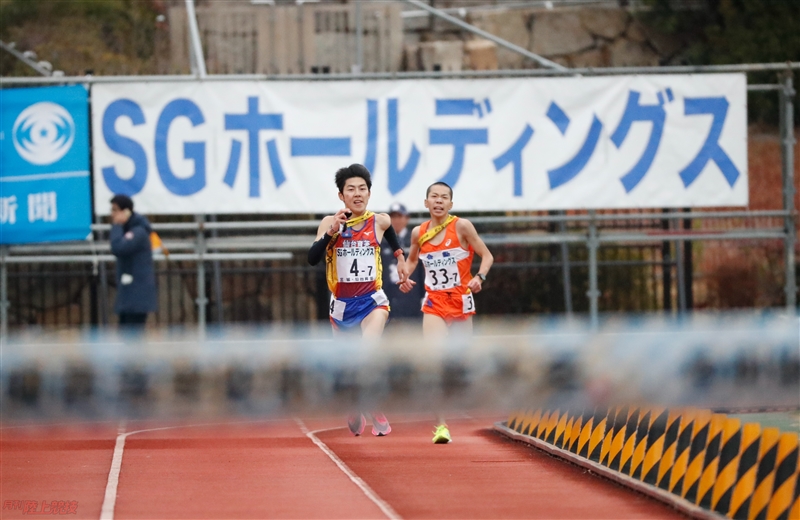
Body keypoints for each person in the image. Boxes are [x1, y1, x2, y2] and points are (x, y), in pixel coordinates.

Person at [307, 164, 408, 437]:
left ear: (369, 193)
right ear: (341, 195)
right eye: (351, 189)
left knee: (368, 352)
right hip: (341, 306)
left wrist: (399, 256)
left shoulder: (379, 220)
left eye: (362, 188)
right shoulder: (331, 222)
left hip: (372, 301)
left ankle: (373, 405)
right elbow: (312, 258)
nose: (357, 193)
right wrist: (332, 234)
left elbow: (389, 233)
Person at [399, 181, 493, 444]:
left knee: (461, 361)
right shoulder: (419, 232)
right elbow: (414, 258)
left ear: (451, 204)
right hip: (435, 303)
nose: (438, 201)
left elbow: (487, 256)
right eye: (434, 197)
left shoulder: (462, 227)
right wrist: (405, 274)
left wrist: (480, 277)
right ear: (426, 203)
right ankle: (441, 426)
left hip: (461, 302)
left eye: (444, 197)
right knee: (433, 362)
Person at [109, 194, 158, 333]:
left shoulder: (138, 232)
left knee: (132, 335)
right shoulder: (131, 230)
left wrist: (117, 226)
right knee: (125, 333)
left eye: (115, 210)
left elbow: (118, 247)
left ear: (126, 211)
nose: (112, 214)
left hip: (137, 296)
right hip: (129, 294)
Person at [380, 202, 424, 322]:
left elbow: (422, 271)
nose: (396, 220)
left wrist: (423, 296)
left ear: (407, 218)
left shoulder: (415, 240)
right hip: (388, 297)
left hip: (411, 297)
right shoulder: (381, 242)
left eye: (399, 216)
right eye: (393, 217)